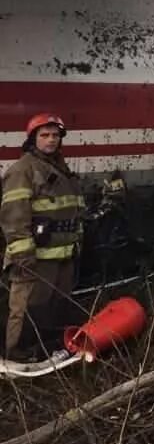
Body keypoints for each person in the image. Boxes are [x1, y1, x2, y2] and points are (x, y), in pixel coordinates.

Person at [2, 113, 84, 360]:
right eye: (44, 135)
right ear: (32, 139)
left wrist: (77, 244)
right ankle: (17, 355)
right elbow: (14, 218)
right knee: (27, 309)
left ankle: (47, 351)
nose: (51, 140)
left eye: (55, 135)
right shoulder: (23, 170)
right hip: (35, 259)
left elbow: (75, 211)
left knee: (56, 308)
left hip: (63, 256)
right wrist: (23, 257)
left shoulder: (61, 169)